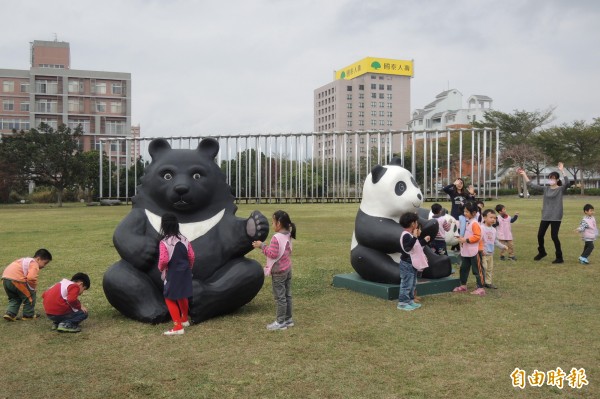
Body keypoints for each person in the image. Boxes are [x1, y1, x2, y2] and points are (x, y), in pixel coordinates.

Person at [252, 210, 296, 331]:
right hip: (287, 269)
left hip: (279, 272)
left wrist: (261, 246)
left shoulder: (276, 237)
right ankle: (288, 319)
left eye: (273, 222)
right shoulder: (288, 233)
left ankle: (280, 322)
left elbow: (272, 254)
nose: (272, 225)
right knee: (287, 295)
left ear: (279, 223)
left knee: (280, 297)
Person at [519, 163, 569, 263]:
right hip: (546, 216)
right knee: (540, 235)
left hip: (556, 216)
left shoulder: (560, 189)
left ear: (557, 180)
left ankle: (559, 257)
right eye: (550, 178)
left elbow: (567, 182)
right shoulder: (546, 189)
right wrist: (524, 174)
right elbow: (531, 185)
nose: (551, 180)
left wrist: (562, 170)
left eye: (553, 178)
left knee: (554, 236)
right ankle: (542, 252)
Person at [158, 213, 195, 336]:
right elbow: (191, 256)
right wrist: (189, 267)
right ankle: (184, 319)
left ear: (164, 225)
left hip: (173, 273)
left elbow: (163, 260)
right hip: (185, 271)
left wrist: (160, 268)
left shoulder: (164, 242)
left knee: (169, 298)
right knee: (182, 295)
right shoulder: (184, 239)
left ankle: (178, 326)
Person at [2, 249, 52, 321]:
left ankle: (10, 314)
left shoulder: (23, 260)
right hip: (16, 280)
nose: (44, 266)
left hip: (5, 279)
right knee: (30, 296)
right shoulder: (34, 264)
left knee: (14, 298)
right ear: (38, 259)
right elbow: (31, 278)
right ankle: (28, 315)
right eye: (45, 263)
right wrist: (32, 288)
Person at [397, 212, 431, 311]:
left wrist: (424, 240)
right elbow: (408, 248)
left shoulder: (410, 235)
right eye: (416, 222)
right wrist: (415, 237)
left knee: (412, 284)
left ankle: (410, 301)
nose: (417, 224)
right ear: (413, 224)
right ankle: (402, 303)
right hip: (407, 264)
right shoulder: (406, 235)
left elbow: (415, 246)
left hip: (412, 264)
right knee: (406, 284)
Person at [453, 202, 486, 296]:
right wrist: (460, 237)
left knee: (477, 270)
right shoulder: (467, 222)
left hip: (475, 250)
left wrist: (465, 240)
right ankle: (463, 285)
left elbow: (477, 237)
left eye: (467, 212)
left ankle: (480, 288)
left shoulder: (475, 224)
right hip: (467, 251)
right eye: (464, 211)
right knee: (463, 268)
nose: (465, 213)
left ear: (474, 213)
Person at [443, 178, 476, 249]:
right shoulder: (452, 192)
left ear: (463, 184)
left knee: (462, 229)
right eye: (458, 183)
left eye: (461, 183)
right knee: (455, 230)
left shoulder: (465, 193)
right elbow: (445, 189)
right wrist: (453, 184)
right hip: (454, 214)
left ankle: (460, 245)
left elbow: (472, 201)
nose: (459, 184)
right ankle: (454, 245)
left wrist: (472, 194)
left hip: (463, 214)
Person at [480, 209, 508, 289]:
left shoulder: (494, 230)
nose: (493, 219)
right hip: (483, 253)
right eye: (491, 217)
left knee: (489, 269)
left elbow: (495, 241)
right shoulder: (481, 228)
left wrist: (503, 246)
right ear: (484, 218)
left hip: (490, 253)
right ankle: (480, 283)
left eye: (494, 218)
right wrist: (481, 250)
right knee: (483, 269)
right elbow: (479, 240)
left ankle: (488, 283)